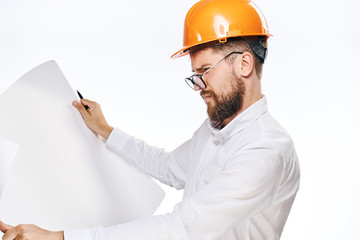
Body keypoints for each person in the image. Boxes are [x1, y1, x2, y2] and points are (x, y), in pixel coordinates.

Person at [0, 0, 300, 239]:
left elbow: (182, 229)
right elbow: (169, 167)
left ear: (244, 63)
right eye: (195, 75)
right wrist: (106, 130)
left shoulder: (265, 150)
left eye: (205, 70)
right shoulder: (218, 129)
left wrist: (59, 238)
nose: (198, 85)